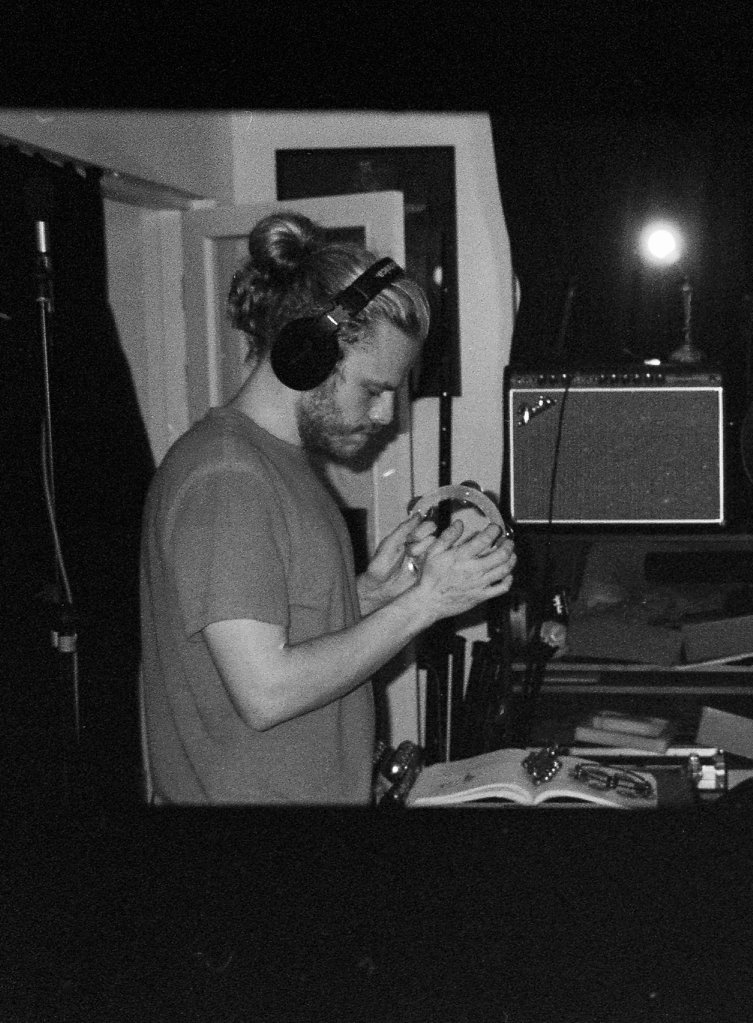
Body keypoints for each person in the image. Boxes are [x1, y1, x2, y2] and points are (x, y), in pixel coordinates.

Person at [139, 211, 515, 805]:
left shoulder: (277, 464)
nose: (385, 415)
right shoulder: (227, 480)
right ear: (308, 354)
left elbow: (280, 629)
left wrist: (372, 595)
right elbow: (265, 692)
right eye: (374, 389)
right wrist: (426, 603)